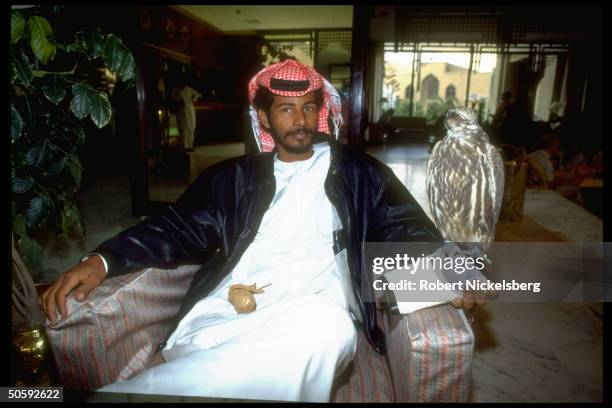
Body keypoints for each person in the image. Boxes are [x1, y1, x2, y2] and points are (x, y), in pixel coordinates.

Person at [41, 60, 481, 402]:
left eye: (309, 107)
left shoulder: (358, 171)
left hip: (314, 322)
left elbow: (404, 227)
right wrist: (103, 259)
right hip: (223, 322)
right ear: (264, 118)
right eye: (287, 109)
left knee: (328, 326)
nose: (301, 120)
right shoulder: (232, 177)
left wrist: (446, 266)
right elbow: (174, 227)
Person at [172, 79, 202, 152]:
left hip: (190, 109)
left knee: (192, 128)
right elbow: (173, 96)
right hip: (182, 111)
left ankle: (190, 145)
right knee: (184, 129)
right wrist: (178, 99)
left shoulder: (188, 89)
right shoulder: (176, 89)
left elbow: (197, 94)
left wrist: (193, 100)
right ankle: (185, 146)